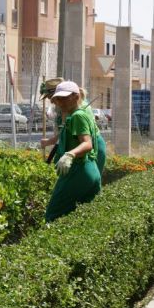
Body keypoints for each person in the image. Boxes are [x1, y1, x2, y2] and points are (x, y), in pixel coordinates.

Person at [45, 81, 101, 222]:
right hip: (89, 171)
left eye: (65, 98)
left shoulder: (77, 116)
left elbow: (87, 144)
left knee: (52, 216)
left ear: (76, 97)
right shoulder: (76, 115)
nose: (61, 102)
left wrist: (70, 154)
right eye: (58, 99)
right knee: (83, 218)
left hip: (78, 171)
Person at [78, 87, 107, 175]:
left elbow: (87, 143)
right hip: (95, 144)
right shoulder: (81, 105)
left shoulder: (80, 110)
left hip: (94, 144)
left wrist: (70, 154)